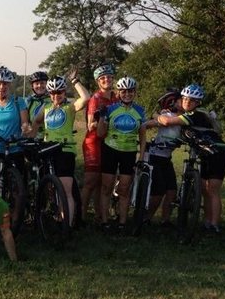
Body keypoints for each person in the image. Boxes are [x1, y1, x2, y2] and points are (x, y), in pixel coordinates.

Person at [157, 83, 225, 234]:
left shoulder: (192, 115)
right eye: (184, 99)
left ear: (197, 103)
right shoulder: (199, 114)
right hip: (206, 152)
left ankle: (214, 225)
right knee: (205, 190)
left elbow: (166, 121)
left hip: (218, 153)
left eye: (191, 100)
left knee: (213, 191)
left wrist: (156, 115)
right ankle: (207, 221)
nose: (186, 102)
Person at [29, 72, 90, 226]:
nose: (56, 96)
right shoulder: (46, 107)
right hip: (48, 149)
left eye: (60, 92)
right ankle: (51, 213)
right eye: (53, 93)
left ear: (64, 92)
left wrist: (75, 81)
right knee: (48, 186)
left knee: (66, 190)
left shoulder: (69, 106)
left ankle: (66, 225)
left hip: (65, 150)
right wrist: (31, 136)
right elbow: (36, 121)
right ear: (49, 94)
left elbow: (86, 98)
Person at [96, 76, 146, 231]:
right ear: (118, 92)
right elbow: (99, 134)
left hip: (129, 152)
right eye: (123, 91)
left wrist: (141, 156)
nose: (127, 94)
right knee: (106, 187)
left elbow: (142, 137)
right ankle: (105, 221)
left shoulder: (140, 111)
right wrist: (103, 118)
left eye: (130, 91)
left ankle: (122, 223)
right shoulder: (111, 109)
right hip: (110, 150)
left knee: (124, 189)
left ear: (135, 92)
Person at [0, 66, 30, 183]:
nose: (2, 87)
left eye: (5, 84)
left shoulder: (19, 102)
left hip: (14, 146)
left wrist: (24, 131)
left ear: (10, 85)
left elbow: (25, 123)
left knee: (18, 183)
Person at [81, 64, 117, 225]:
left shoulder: (117, 97)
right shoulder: (96, 99)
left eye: (109, 77)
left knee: (104, 181)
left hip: (110, 143)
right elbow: (90, 125)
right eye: (103, 78)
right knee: (91, 180)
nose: (106, 80)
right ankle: (80, 215)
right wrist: (106, 121)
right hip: (94, 142)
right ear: (98, 82)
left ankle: (99, 214)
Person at [145, 88, 182, 226]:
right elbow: (150, 124)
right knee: (158, 191)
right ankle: (147, 217)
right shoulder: (168, 115)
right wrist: (155, 118)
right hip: (155, 156)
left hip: (166, 158)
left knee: (172, 191)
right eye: (180, 101)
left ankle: (165, 220)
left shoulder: (182, 118)